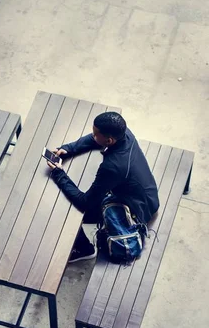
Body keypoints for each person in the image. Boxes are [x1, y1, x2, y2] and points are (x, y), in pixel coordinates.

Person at [47, 112, 159, 262]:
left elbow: (84, 202)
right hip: (148, 194)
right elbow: (98, 139)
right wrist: (69, 148)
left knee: (63, 209)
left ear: (109, 140)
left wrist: (58, 173)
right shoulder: (125, 133)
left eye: (95, 134)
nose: (92, 136)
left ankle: (84, 249)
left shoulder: (113, 167)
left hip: (138, 210)